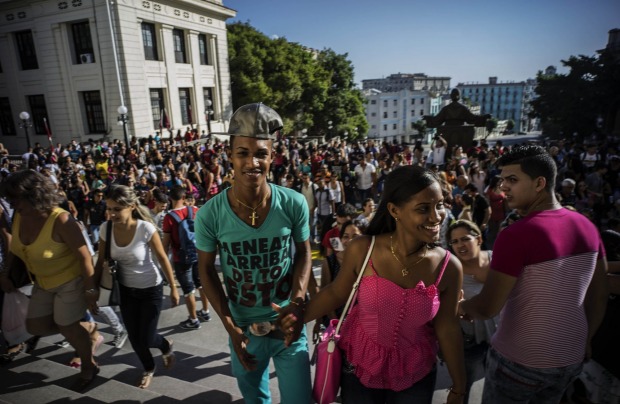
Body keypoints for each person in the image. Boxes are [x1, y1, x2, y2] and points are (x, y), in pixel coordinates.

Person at [286, 165, 467, 403]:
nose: (436, 217)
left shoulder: (449, 267)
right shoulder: (364, 248)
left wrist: (459, 386)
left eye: (440, 204)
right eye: (424, 208)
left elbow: (448, 328)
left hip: (416, 375)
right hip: (359, 369)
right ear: (394, 210)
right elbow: (336, 293)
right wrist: (298, 317)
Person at [459, 145, 609, 403]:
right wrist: (586, 338)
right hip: (570, 359)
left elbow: (487, 308)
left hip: (519, 362)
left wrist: (460, 305)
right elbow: (600, 293)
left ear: (540, 182)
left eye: (512, 180)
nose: (503, 187)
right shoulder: (587, 226)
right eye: (502, 180)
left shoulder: (516, 235)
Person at [195, 103, 312, 403]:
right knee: (255, 400)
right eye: (243, 153)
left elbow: (303, 252)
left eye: (260, 153)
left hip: (288, 325)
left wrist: (297, 302)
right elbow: (206, 270)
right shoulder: (210, 214)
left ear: (272, 157)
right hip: (244, 329)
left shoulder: (293, 203)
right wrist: (230, 326)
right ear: (230, 157)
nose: (252, 162)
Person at [0, 170, 100, 389]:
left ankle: (88, 365)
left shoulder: (61, 219)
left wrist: (90, 291)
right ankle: (87, 330)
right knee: (35, 326)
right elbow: (14, 250)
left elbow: (85, 257)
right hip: (42, 283)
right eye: (10, 198)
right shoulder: (19, 216)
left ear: (34, 194)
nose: (12, 203)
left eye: (16, 197)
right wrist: (5, 274)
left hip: (70, 282)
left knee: (67, 326)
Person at [94, 185, 180, 389]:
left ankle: (165, 345)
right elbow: (99, 262)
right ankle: (149, 368)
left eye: (117, 209)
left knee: (148, 337)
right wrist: (91, 290)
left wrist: (174, 289)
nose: (112, 214)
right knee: (135, 338)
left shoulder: (145, 228)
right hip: (125, 290)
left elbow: (162, 258)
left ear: (131, 206)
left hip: (151, 289)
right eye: (109, 208)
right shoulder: (106, 228)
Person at [447, 220, 497, 404]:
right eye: (455, 242)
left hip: (502, 341)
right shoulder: (450, 270)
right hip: (468, 343)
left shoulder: (497, 259)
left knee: (498, 390)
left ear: (478, 239)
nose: (460, 245)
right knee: (462, 389)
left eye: (464, 239)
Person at [162, 185, 210, 330]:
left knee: (188, 289)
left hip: (181, 258)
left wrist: (162, 257)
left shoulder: (169, 217)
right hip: (198, 253)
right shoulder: (195, 210)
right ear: (184, 198)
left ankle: (194, 320)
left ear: (170, 198)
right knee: (201, 284)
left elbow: (166, 242)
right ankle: (206, 312)